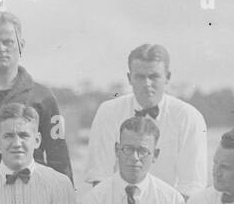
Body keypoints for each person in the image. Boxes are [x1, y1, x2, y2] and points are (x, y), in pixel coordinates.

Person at [0, 10, 72, 181]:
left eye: (8, 42)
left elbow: (59, 154)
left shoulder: (43, 96)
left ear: (21, 45)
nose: (1, 49)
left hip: (35, 191)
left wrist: (65, 196)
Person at [85, 43, 208, 196]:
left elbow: (191, 185)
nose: (147, 84)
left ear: (167, 77)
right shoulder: (108, 112)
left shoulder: (189, 117)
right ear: (129, 78)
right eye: (140, 77)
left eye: (154, 76)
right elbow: (100, 176)